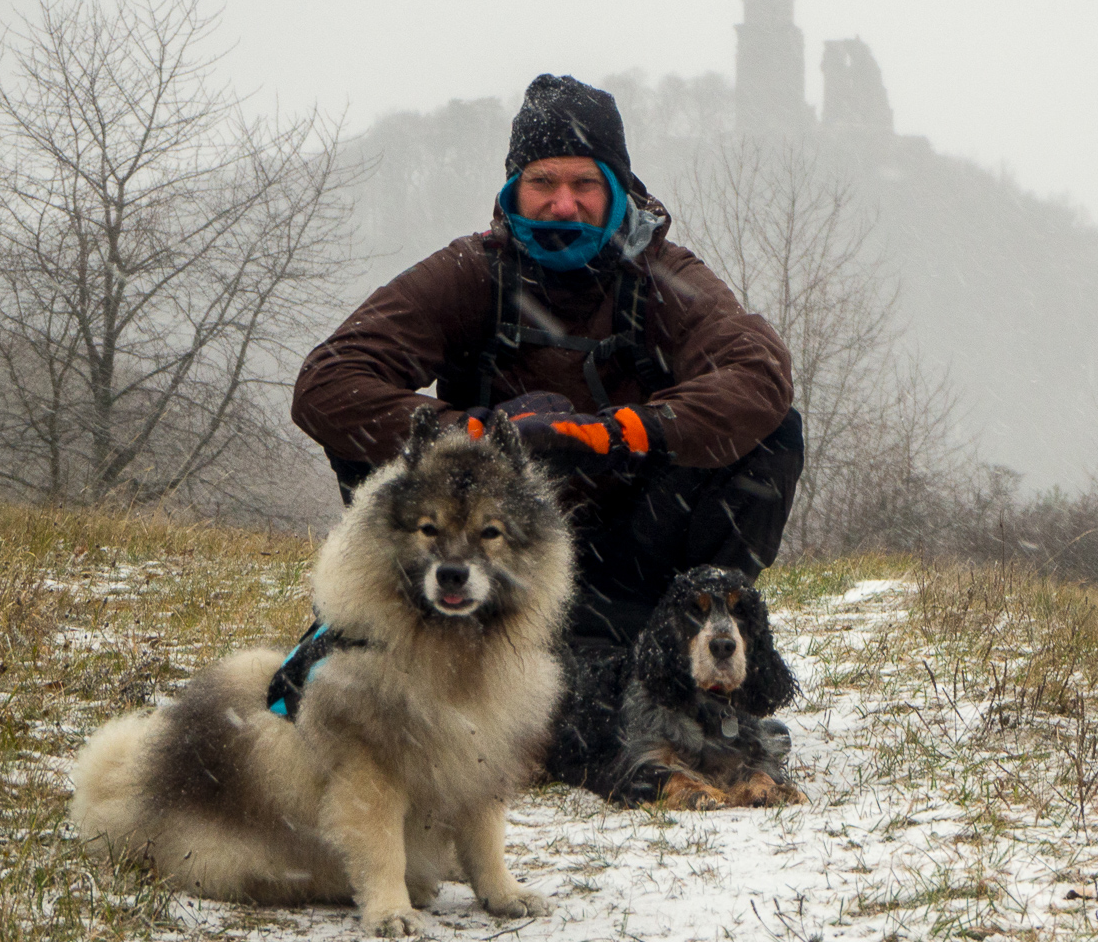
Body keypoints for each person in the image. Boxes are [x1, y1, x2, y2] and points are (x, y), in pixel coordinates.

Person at [292, 74, 802, 646]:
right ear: (513, 189)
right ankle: (387, 625)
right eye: (542, 182)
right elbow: (328, 381)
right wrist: (469, 436)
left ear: (618, 189)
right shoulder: (470, 272)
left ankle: (694, 636)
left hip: (632, 561)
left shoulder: (665, 276)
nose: (564, 204)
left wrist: (620, 434)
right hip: (479, 555)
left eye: (585, 181)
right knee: (364, 429)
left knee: (773, 432)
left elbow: (758, 373)